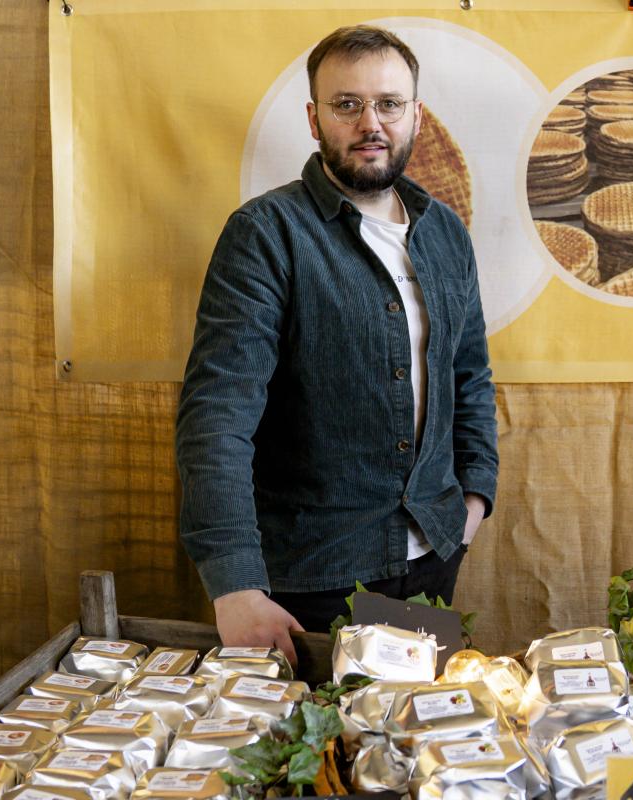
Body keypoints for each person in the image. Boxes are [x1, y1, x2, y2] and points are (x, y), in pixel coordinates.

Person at [175, 25, 498, 664]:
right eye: (347, 104)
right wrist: (235, 583)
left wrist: (473, 500)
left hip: (433, 557)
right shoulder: (266, 234)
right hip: (312, 576)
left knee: (410, 725)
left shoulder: (445, 233)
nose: (370, 123)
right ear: (314, 119)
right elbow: (216, 417)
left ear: (416, 116)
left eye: (389, 103)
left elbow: (471, 375)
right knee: (320, 731)